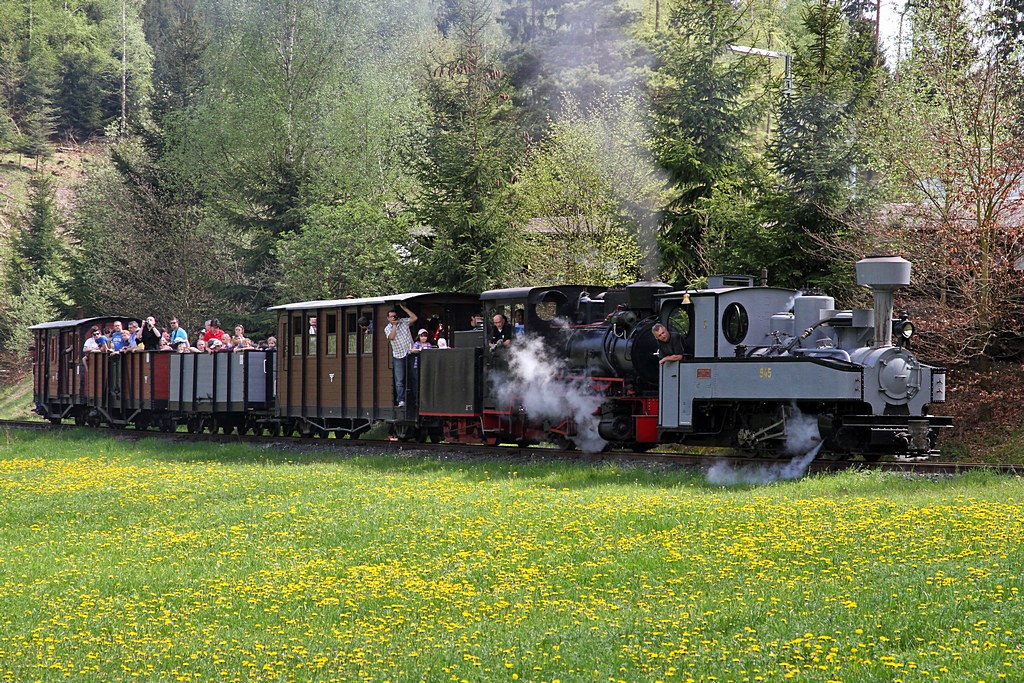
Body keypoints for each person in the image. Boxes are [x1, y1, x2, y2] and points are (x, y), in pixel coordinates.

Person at [385, 303, 418, 407]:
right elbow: (392, 337)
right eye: (391, 316)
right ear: (388, 318)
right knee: (400, 380)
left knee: (414, 377)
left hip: (410, 353)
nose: (394, 317)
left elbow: (414, 318)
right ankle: (401, 400)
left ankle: (417, 399)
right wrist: (394, 325)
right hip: (398, 356)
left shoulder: (404, 322)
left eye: (395, 315)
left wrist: (404, 308)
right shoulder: (387, 328)